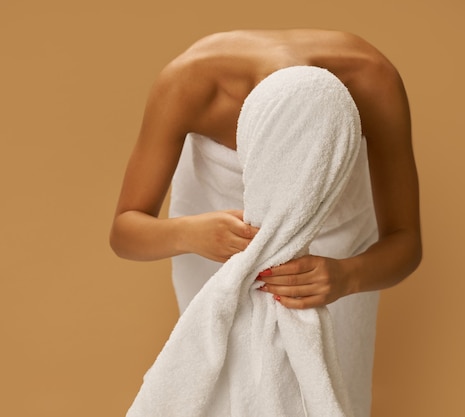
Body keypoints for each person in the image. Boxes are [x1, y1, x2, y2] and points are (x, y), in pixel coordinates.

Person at [110, 29, 421, 415]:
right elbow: (124, 230)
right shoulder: (188, 83)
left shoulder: (373, 81)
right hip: (213, 251)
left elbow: (406, 241)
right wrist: (190, 232)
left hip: (338, 259)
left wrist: (347, 276)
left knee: (334, 390)